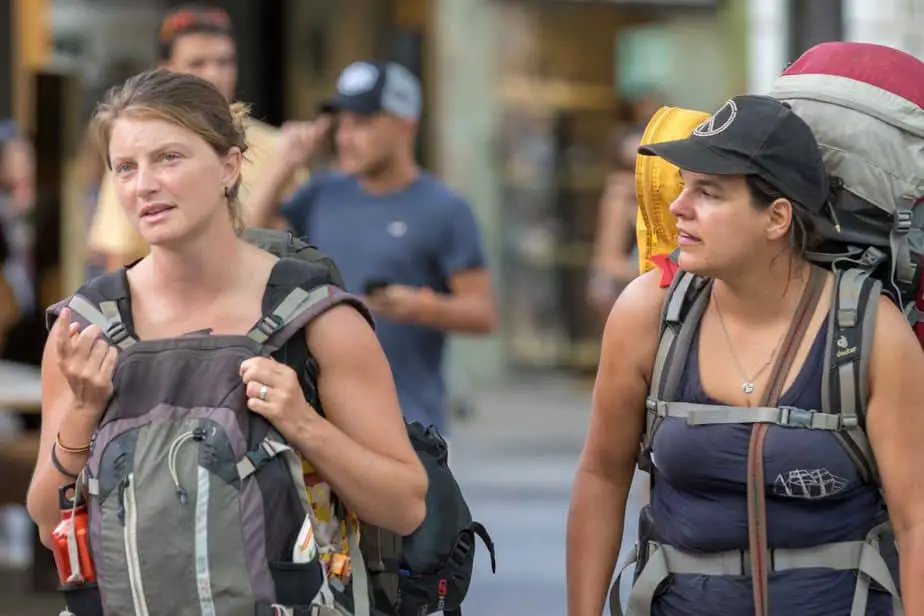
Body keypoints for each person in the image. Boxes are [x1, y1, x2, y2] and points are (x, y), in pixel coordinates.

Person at [26, 69, 427, 609]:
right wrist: (83, 409)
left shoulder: (317, 319)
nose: (144, 184)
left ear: (229, 166)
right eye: (125, 167)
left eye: (169, 157)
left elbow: (404, 505)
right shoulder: (86, 326)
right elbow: (48, 518)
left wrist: (301, 422)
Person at [566, 95, 924, 615]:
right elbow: (601, 475)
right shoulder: (649, 313)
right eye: (684, 185)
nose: (678, 207)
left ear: (776, 217)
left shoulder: (869, 331)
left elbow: (916, 520)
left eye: (708, 193)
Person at [247, 60, 497, 435]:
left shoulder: (445, 209)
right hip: (321, 417)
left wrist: (419, 305)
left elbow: (482, 313)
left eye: (361, 123)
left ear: (404, 124)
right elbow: (249, 237)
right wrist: (285, 163)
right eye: (341, 124)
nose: (345, 136)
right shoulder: (322, 193)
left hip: (408, 421)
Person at [86, 4, 305, 272]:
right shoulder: (136, 151)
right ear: (167, 71)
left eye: (224, 62)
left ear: (230, 164)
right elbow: (119, 266)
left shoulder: (279, 147)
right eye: (197, 63)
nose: (214, 74)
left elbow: (294, 249)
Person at [586, 123, 645, 321]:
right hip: (625, 299)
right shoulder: (620, 196)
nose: (637, 175)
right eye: (631, 167)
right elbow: (608, 263)